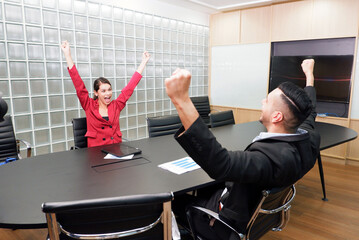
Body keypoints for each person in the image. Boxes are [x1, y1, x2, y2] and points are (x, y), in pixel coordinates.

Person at [165, 59, 320, 239]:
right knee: (203, 186)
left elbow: (220, 164)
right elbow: (311, 111)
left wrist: (181, 100)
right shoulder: (309, 141)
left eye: (267, 100)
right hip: (245, 201)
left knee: (173, 200)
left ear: (277, 116)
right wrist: (309, 75)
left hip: (227, 219)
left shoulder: (268, 160)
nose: (263, 101)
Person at [61, 41, 150, 147]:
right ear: (96, 93)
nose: (107, 94)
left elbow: (130, 87)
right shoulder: (88, 105)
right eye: (103, 91)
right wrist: (67, 54)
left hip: (116, 150)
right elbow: (78, 84)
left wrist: (144, 62)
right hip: (96, 153)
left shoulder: (116, 105)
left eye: (109, 89)